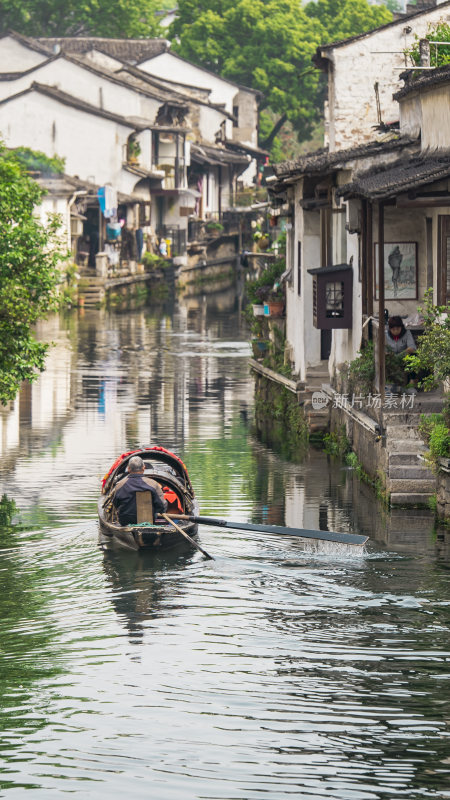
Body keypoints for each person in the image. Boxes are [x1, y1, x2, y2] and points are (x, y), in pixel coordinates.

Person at [112, 455, 167, 526]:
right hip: (148, 521)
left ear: (128, 469)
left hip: (125, 521)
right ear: (143, 468)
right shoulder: (153, 484)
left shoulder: (119, 485)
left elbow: (116, 504)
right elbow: (162, 506)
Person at [385, 315, 417, 390]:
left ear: (401, 327)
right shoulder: (385, 335)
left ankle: (412, 382)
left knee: (413, 356)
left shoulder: (407, 333)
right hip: (391, 359)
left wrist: (401, 355)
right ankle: (388, 384)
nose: (396, 331)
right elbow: (383, 349)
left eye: (398, 329)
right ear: (390, 329)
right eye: (393, 329)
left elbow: (412, 348)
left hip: (404, 358)